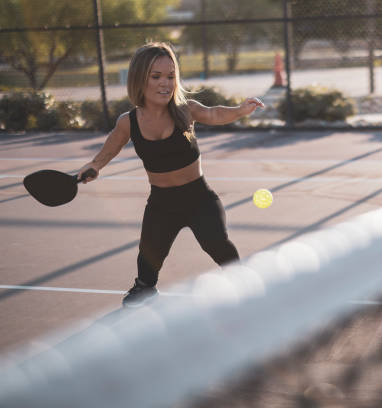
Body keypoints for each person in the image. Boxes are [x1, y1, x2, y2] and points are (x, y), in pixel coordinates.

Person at [77, 42, 264, 307]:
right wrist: (94, 165)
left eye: (170, 76)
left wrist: (240, 110)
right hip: (162, 203)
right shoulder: (128, 122)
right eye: (156, 77)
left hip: (199, 197)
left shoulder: (185, 110)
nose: (165, 83)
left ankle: (245, 282)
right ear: (139, 79)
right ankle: (144, 288)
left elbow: (214, 114)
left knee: (217, 243)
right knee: (149, 253)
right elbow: (111, 147)